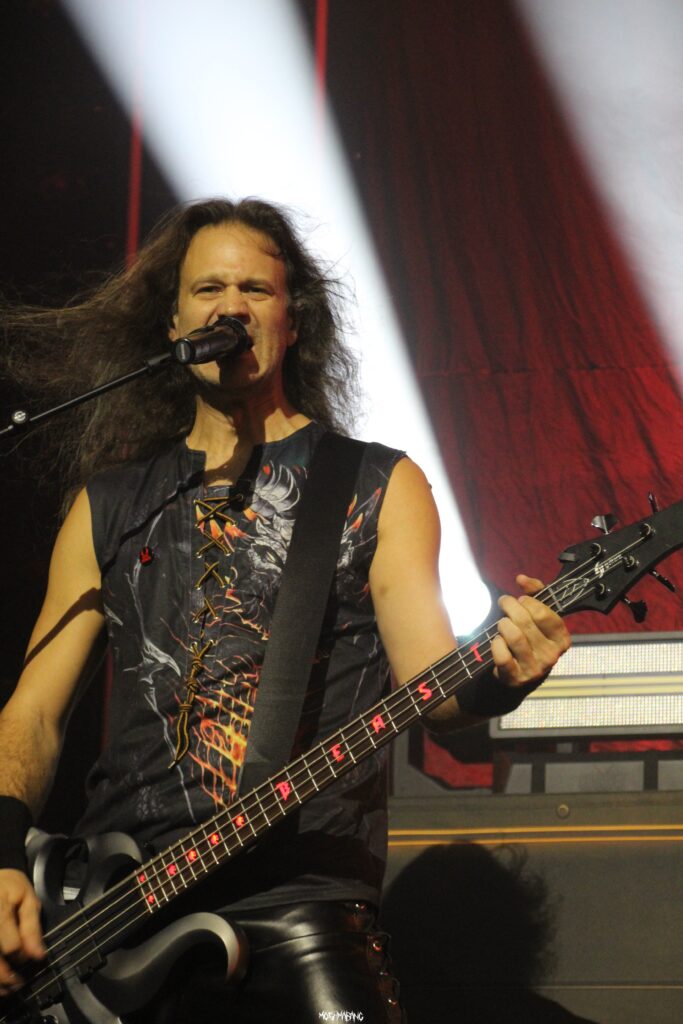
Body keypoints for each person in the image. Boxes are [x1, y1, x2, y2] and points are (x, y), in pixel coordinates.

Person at [0, 198, 570, 1022]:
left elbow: (435, 693)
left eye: (254, 291)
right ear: (172, 323)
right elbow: (32, 714)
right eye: (207, 289)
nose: (229, 308)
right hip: (111, 916)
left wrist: (503, 677)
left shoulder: (375, 485)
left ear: (292, 321)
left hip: (299, 903)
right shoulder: (110, 504)